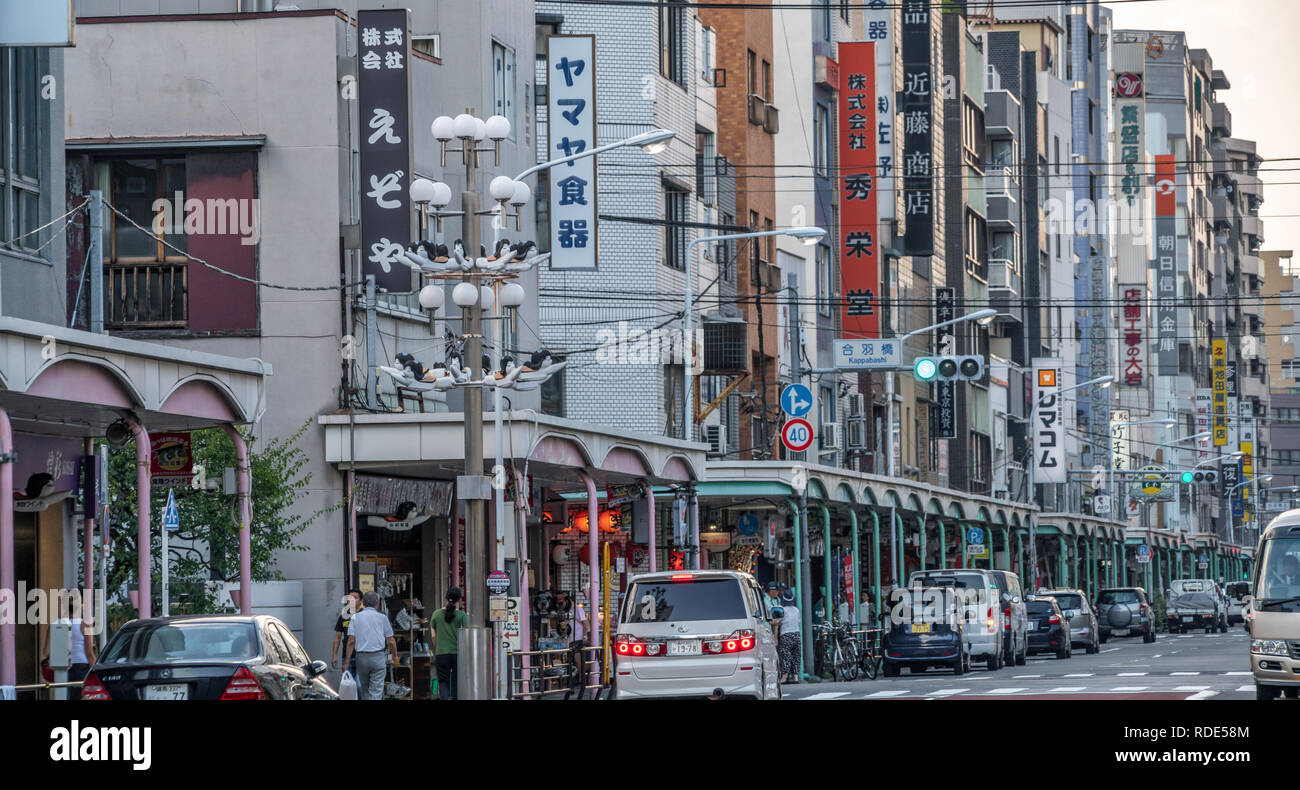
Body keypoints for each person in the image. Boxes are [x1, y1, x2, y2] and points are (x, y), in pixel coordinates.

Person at [344, 591, 398, 700]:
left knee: (365, 690)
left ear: (363, 602)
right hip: (378, 657)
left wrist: (347, 661)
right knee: (376, 691)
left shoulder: (355, 617)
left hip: (361, 658)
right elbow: (391, 640)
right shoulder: (382, 618)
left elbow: (351, 641)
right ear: (377, 603)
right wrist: (394, 655)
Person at [40, 616, 97, 700]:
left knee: (62, 695)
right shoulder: (84, 624)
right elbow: (89, 654)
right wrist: (96, 671)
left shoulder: (55, 624)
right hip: (81, 667)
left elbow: (46, 652)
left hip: (61, 667)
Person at [430, 587, 467, 700]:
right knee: (457, 681)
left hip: (441, 653)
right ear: (458, 600)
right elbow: (465, 635)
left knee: (443, 682)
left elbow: (433, 635)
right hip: (457, 654)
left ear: (446, 597)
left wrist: (438, 646)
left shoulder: (436, 614)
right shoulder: (462, 615)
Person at [331, 588, 363, 673]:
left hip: (362, 655)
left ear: (361, 601)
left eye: (355, 598)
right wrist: (334, 655)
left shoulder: (365, 615)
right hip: (346, 655)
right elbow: (337, 637)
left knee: (360, 685)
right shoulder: (344, 616)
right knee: (348, 684)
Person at [777, 594, 802, 684]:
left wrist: (775, 636)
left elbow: (777, 622)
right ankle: (795, 677)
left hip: (786, 635)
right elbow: (798, 622)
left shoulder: (781, 609)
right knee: (796, 655)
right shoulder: (796, 610)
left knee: (785, 656)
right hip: (796, 634)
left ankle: (784, 677)